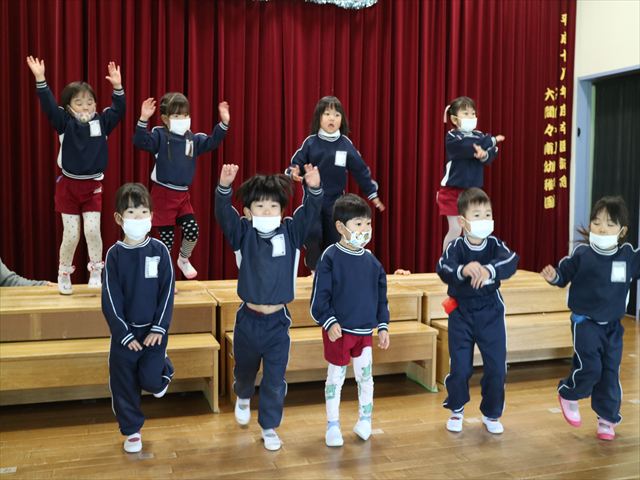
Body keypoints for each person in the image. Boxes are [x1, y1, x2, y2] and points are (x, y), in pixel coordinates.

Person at [215, 163, 323, 451]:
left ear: (282, 211)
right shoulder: (243, 233)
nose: (267, 211)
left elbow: (310, 212)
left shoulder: (291, 232)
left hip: (277, 323)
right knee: (245, 372)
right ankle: (243, 396)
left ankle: (269, 426)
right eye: (260, 206)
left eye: (273, 206)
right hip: (248, 321)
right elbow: (224, 215)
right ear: (248, 211)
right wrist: (224, 188)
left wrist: (313, 189)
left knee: (275, 379)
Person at [541, 196, 640, 441]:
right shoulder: (582, 253)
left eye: (609, 224)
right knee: (591, 367)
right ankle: (569, 393)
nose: (602, 228)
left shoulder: (627, 255)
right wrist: (554, 277)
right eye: (596, 222)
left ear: (622, 231)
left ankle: (607, 418)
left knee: (610, 372)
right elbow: (563, 274)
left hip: (613, 327)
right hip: (585, 323)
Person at [26, 55, 125, 294]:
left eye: (90, 102)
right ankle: (63, 273)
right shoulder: (64, 122)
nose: (86, 106)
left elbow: (119, 110)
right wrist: (40, 79)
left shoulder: (102, 122)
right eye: (79, 103)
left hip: (92, 187)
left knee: (92, 231)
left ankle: (96, 270)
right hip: (68, 188)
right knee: (71, 236)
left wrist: (118, 87)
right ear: (69, 106)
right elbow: (49, 106)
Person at [436, 188, 519, 435]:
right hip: (461, 313)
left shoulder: (494, 245)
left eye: (488, 214)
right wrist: (462, 270)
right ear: (463, 221)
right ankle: (456, 408)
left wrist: (489, 270)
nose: (484, 219)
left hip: (491, 311)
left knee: (496, 366)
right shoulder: (456, 247)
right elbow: (443, 267)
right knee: (460, 367)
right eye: (477, 215)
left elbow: (511, 261)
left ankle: (492, 412)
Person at [310, 193, 390, 447]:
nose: (365, 229)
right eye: (358, 224)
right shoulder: (330, 257)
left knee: (366, 378)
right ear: (340, 227)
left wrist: (383, 326)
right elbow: (319, 298)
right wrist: (329, 321)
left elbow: (381, 298)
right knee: (335, 379)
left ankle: (365, 420)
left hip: (364, 334)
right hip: (339, 332)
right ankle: (333, 425)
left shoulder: (373, 263)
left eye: (368, 224)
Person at [102, 183, 175, 453]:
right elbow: (111, 299)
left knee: (151, 382)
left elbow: (167, 292)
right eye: (132, 212)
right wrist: (123, 334)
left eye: (144, 212)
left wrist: (159, 328)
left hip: (154, 334)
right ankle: (132, 430)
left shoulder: (159, 250)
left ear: (152, 216)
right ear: (119, 218)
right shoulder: (114, 255)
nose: (139, 217)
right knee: (123, 384)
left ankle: (164, 371)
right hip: (125, 337)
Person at [133, 93, 230, 279]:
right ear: (165, 119)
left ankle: (183, 259)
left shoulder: (192, 138)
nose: (182, 119)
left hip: (182, 196)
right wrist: (143, 119)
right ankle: (162, 276)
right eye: (177, 116)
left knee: (192, 230)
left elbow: (212, 142)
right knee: (166, 241)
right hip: (163, 194)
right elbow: (140, 142)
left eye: (185, 115)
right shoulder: (160, 135)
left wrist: (224, 123)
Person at [286, 96, 384, 271]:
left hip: (335, 202)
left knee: (333, 237)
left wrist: (372, 194)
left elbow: (360, 170)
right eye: (327, 114)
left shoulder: (345, 144)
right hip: (313, 201)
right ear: (319, 118)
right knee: (313, 233)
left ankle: (330, 269)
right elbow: (296, 164)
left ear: (342, 120)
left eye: (337, 115)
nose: (332, 118)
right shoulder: (311, 143)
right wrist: (293, 172)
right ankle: (315, 269)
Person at [437, 96, 505, 252]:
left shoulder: (479, 135)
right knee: (456, 228)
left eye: (473, 113)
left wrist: (484, 155)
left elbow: (492, 152)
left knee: (472, 230)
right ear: (454, 119)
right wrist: (491, 141)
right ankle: (447, 260)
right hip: (452, 190)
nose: (471, 117)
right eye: (466, 114)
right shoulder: (453, 137)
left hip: (472, 191)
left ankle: (468, 259)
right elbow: (467, 147)